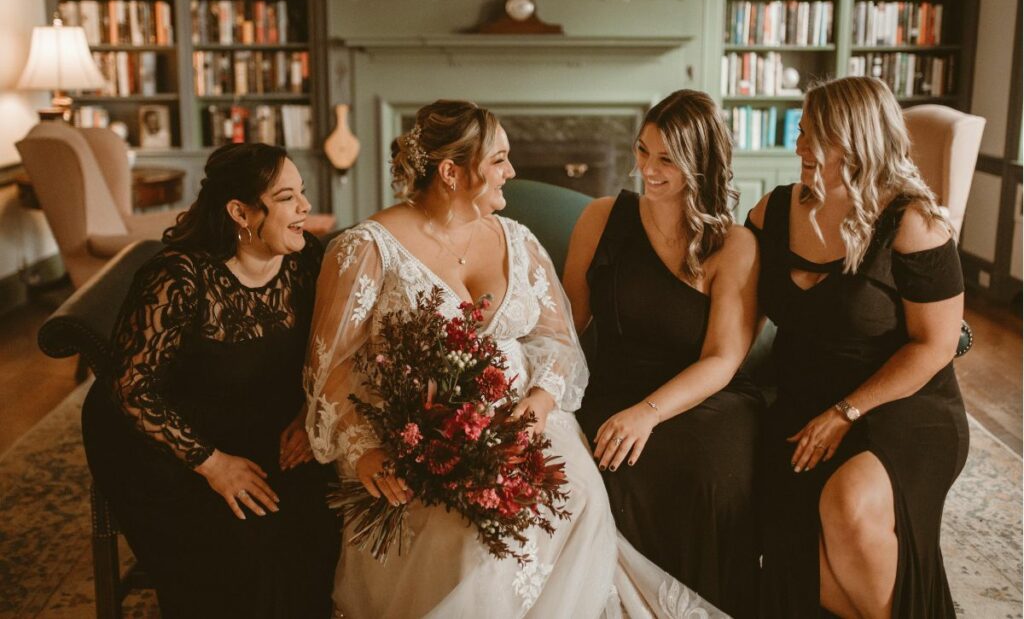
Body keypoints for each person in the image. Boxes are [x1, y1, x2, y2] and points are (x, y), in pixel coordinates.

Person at [304, 99, 725, 618]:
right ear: (452, 172)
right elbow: (333, 367)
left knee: (573, 495)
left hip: (530, 421)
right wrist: (365, 450)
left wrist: (540, 404)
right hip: (423, 436)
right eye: (499, 160)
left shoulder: (519, 241)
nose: (513, 172)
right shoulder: (367, 248)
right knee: (473, 540)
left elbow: (558, 339)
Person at [82, 143, 339, 618]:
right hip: (166, 437)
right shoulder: (177, 278)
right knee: (248, 552)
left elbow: (325, 350)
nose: (305, 207)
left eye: (302, 193)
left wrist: (308, 412)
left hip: (255, 415)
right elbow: (130, 391)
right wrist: (213, 464)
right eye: (287, 198)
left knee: (322, 522)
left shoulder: (305, 261)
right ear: (240, 212)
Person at [745, 76, 969, 618]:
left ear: (858, 140)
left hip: (901, 404)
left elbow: (937, 345)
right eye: (801, 132)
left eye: (815, 137)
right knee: (800, 554)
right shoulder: (769, 213)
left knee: (847, 506)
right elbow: (733, 315)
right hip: (802, 404)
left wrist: (847, 411)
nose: (799, 147)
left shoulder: (914, 224)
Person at [564, 89, 762, 618]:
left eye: (667, 158)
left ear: (701, 163)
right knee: (605, 464)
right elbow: (565, 324)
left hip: (703, 398)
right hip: (612, 389)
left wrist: (648, 414)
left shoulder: (733, 244)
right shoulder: (601, 218)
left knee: (705, 472)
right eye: (643, 150)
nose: (647, 169)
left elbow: (723, 358)